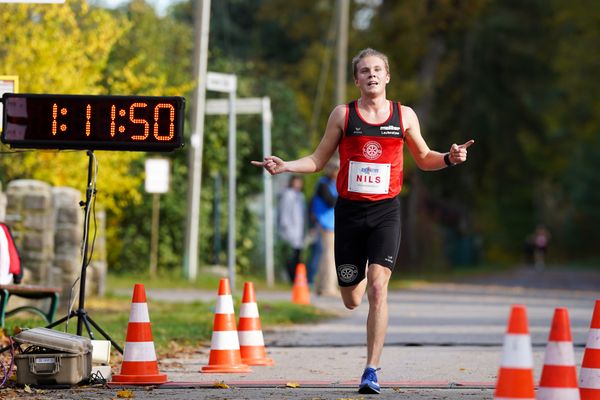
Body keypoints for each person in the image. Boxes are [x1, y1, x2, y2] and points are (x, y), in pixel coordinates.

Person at [253, 48, 474, 394]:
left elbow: (425, 158)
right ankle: (353, 296)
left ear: (387, 77)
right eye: (365, 71)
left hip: (386, 211)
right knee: (352, 299)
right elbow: (317, 158)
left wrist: (449, 157)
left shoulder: (405, 116)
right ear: (356, 79)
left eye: (377, 70)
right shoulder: (343, 115)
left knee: (377, 286)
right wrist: (286, 166)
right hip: (350, 213)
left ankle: (371, 369)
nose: (371, 75)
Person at [312, 159, 339, 297]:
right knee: (329, 257)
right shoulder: (323, 184)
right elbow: (330, 202)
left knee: (326, 256)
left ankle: (320, 286)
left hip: (333, 224)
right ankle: (328, 287)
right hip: (327, 224)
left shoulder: (333, 184)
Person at [277, 175, 306, 283]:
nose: (298, 184)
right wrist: (286, 229)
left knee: (298, 256)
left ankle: (296, 278)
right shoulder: (288, 195)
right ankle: (292, 279)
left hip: (299, 231)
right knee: (291, 256)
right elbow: (284, 213)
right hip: (289, 231)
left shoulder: (300, 196)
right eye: (296, 182)